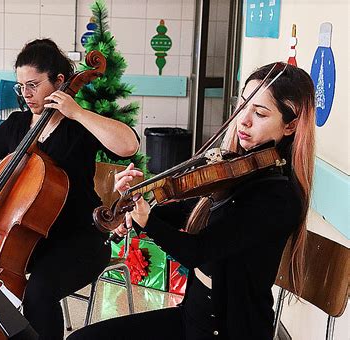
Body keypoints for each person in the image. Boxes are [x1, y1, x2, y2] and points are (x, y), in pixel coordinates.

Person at [0, 38, 139, 339]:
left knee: (39, 291)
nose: (26, 94)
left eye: (33, 85)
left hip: (80, 240)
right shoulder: (18, 125)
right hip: (25, 239)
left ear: (59, 81)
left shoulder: (78, 129)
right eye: (21, 86)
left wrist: (78, 112)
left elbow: (129, 144)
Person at [67, 63, 316, 339]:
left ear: (291, 125)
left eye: (259, 113)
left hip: (229, 329)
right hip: (193, 318)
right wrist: (137, 199)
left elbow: (197, 251)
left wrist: (147, 221)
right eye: (243, 105)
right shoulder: (234, 170)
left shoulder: (278, 198)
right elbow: (183, 212)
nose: (243, 120)